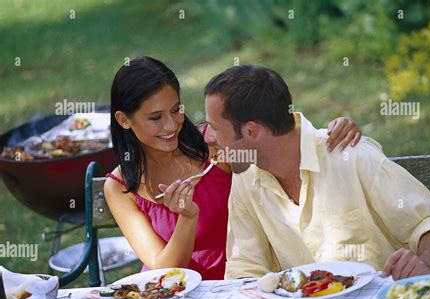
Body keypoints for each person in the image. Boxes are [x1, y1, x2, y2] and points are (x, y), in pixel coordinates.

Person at [104, 57, 361, 280]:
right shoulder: (119, 187)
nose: (171, 125)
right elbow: (164, 269)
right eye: (155, 118)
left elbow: (276, 134)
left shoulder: (215, 145)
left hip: (243, 282)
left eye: (175, 110)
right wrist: (187, 217)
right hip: (173, 296)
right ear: (124, 119)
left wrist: (330, 131)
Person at [203, 64, 430, 280]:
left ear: (250, 131)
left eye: (215, 127)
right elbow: (245, 269)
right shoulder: (245, 177)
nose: (209, 137)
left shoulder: (351, 155)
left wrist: (425, 264)